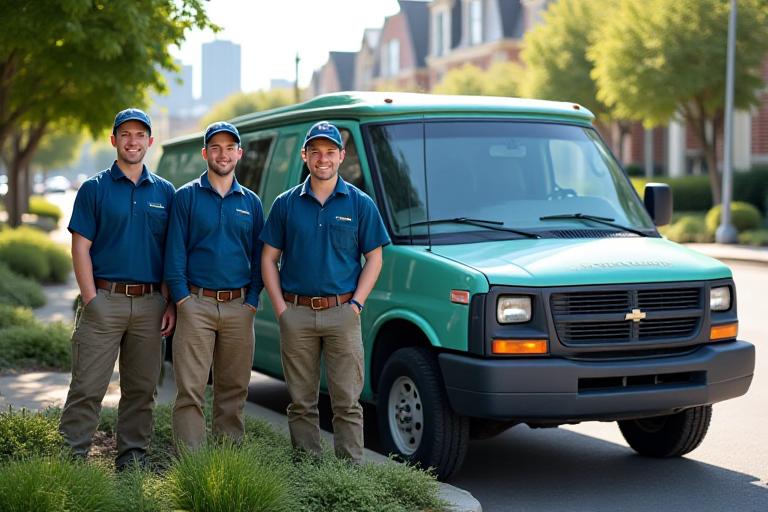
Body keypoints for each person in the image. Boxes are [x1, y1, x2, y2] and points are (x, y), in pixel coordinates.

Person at [260, 121, 390, 463]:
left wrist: (356, 305)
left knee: (347, 402)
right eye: (315, 152)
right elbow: (268, 258)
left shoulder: (360, 204)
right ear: (304, 156)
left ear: (341, 156)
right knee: (301, 403)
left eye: (330, 151)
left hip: (342, 313)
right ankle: (309, 469)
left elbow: (375, 258)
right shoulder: (286, 204)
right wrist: (281, 310)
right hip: (297, 314)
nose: (323, 158)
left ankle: (349, 474)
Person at [60, 108, 176, 470]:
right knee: (87, 387)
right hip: (104, 301)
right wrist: (91, 299)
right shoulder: (94, 189)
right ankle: (71, 461)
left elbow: (170, 253)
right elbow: (80, 248)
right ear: (114, 140)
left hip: (150, 306)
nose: (132, 141)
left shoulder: (166, 193)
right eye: (125, 134)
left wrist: (167, 301)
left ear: (150, 142)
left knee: (141, 391)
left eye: (140, 135)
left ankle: (132, 462)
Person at [164, 121, 264, 449]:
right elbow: (174, 254)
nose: (223, 154)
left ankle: (226, 459)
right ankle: (191, 462)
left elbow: (260, 257)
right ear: (205, 153)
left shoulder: (252, 202)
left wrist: (252, 300)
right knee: (190, 391)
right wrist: (183, 301)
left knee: (234, 390)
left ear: (240, 153)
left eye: (230, 148)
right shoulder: (186, 197)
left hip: (239, 307)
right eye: (216, 148)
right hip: (196, 304)